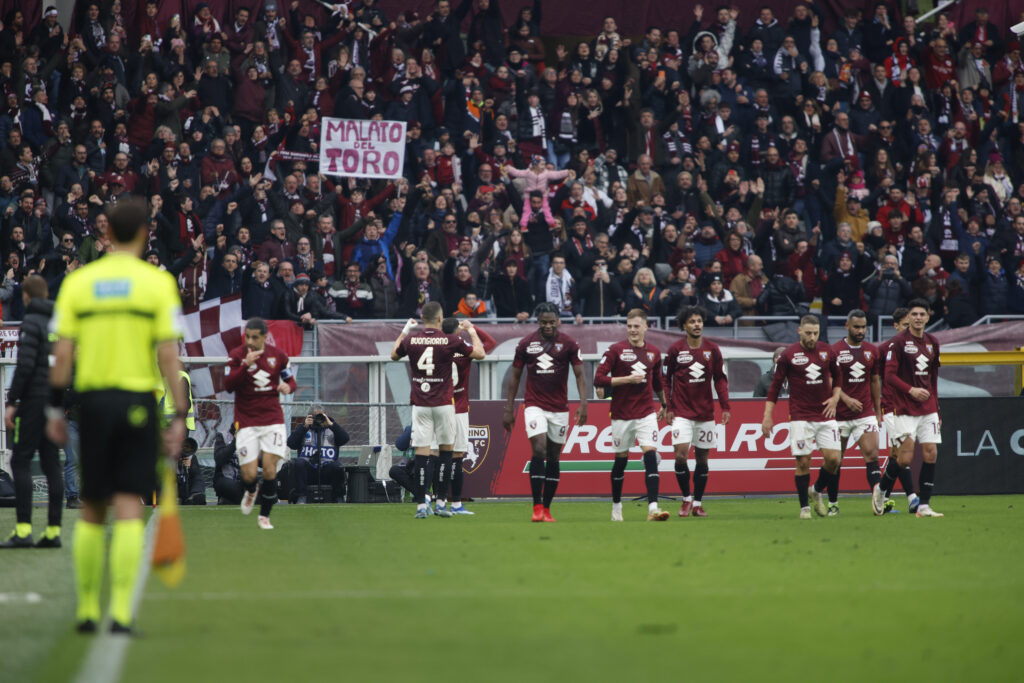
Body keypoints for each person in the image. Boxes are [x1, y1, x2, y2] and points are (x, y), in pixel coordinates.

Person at [46, 198, 187, 634]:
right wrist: (179, 414)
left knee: (91, 507)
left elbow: (63, 354)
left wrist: (53, 407)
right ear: (144, 233)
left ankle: (88, 609)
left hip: (93, 403)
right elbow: (169, 355)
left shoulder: (79, 283)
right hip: (137, 403)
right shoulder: (157, 283)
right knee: (129, 504)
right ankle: (121, 613)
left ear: (105, 235)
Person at [390, 302, 483, 519]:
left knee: (423, 453)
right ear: (440, 319)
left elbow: (394, 355)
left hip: (420, 406)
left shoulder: (412, 339)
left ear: (422, 319)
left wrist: (405, 330)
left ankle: (422, 505)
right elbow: (480, 354)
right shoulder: (450, 340)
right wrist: (471, 331)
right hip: (444, 404)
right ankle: (442, 502)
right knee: (446, 453)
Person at [503, 302, 588, 522]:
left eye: (551, 322)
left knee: (553, 457)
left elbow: (580, 375)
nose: (547, 326)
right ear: (537, 321)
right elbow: (514, 377)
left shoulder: (568, 343)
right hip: (534, 405)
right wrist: (508, 409)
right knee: (539, 449)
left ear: (558, 321)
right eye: (543, 322)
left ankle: (547, 508)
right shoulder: (525, 344)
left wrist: (584, 404)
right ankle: (537, 506)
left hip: (559, 409)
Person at [1, 276, 63, 548]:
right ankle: (53, 532)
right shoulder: (59, 325)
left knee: (20, 461)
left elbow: (25, 366)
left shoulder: (31, 324)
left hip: (34, 403)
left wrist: (12, 402)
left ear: (26, 296)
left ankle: (24, 531)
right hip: (54, 402)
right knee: (52, 465)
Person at [761, 315, 842, 519]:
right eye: (808, 333)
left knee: (833, 460)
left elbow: (839, 377)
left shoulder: (827, 351)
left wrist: (835, 398)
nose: (812, 337)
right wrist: (767, 416)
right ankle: (804, 508)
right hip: (800, 416)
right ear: (799, 331)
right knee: (803, 462)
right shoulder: (788, 355)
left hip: (825, 414)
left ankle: (815, 490)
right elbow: (774, 387)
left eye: (815, 333)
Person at [593, 308, 670, 522]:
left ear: (646, 327)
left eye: (636, 326)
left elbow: (657, 382)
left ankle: (653, 508)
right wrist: (626, 379)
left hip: (646, 412)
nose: (632, 330)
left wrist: (664, 403)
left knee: (651, 455)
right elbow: (598, 379)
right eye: (629, 327)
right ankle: (616, 507)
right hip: (621, 414)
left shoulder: (654, 353)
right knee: (620, 461)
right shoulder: (615, 350)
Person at [224, 317, 297, 530]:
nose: (250, 341)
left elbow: (291, 381)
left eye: (255, 337)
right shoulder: (237, 356)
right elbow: (228, 385)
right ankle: (251, 489)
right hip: (246, 421)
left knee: (269, 469)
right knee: (248, 474)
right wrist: (245, 365)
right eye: (247, 337)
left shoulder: (278, 356)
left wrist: (288, 388)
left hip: (272, 420)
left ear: (265, 337)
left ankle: (264, 516)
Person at [874, 299, 944, 517]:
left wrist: (937, 408)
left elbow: (933, 379)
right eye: (914, 314)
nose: (918, 318)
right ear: (909, 318)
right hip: (904, 406)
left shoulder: (933, 342)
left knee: (931, 452)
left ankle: (923, 505)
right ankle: (882, 488)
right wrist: (911, 390)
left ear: (927, 317)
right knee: (904, 458)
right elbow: (890, 376)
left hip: (928, 407)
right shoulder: (898, 343)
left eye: (922, 314)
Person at [663, 306, 730, 518]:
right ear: (684, 326)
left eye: (699, 321)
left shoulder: (713, 350)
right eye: (692, 321)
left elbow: (720, 379)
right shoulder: (675, 349)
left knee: (702, 459)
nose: (697, 325)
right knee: (680, 454)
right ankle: (685, 499)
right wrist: (668, 407)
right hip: (681, 412)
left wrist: (725, 406)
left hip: (705, 414)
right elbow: (665, 380)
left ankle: (698, 503)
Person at [828, 310, 883, 516]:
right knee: (835, 460)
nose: (861, 331)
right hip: (840, 414)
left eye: (863, 327)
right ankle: (833, 503)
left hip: (865, 411)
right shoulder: (834, 351)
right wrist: (846, 399)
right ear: (847, 326)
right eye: (856, 327)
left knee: (872, 454)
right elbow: (830, 382)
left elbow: (875, 381)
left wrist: (877, 411)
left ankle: (877, 499)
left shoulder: (872, 351)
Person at [438, 317, 493, 516]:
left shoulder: (436, 347)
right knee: (457, 456)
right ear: (458, 331)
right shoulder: (463, 348)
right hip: (459, 408)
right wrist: (472, 328)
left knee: (437, 456)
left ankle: (437, 501)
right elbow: (488, 345)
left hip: (439, 406)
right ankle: (456, 504)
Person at [873, 307, 917, 514]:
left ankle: (883, 497)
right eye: (905, 325)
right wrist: (877, 407)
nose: (909, 329)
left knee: (896, 454)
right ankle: (912, 497)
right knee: (902, 451)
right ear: (896, 326)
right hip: (891, 406)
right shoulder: (884, 349)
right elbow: (874, 379)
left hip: (911, 407)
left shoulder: (918, 348)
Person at [287, 406, 350, 503]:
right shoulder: (304, 428)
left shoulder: (332, 429)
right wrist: (304, 427)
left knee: (337, 466)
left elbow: (345, 438)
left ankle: (338, 497)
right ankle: (301, 496)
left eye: (321, 416)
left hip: (326, 469)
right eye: (315, 416)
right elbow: (291, 444)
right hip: (308, 470)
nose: (318, 419)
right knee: (298, 463)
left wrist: (331, 424)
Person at [213, 425, 244, 505]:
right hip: (225, 479)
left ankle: (229, 500)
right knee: (235, 488)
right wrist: (235, 441)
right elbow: (219, 459)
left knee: (269, 491)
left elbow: (261, 463)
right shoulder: (222, 435)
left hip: (245, 482)